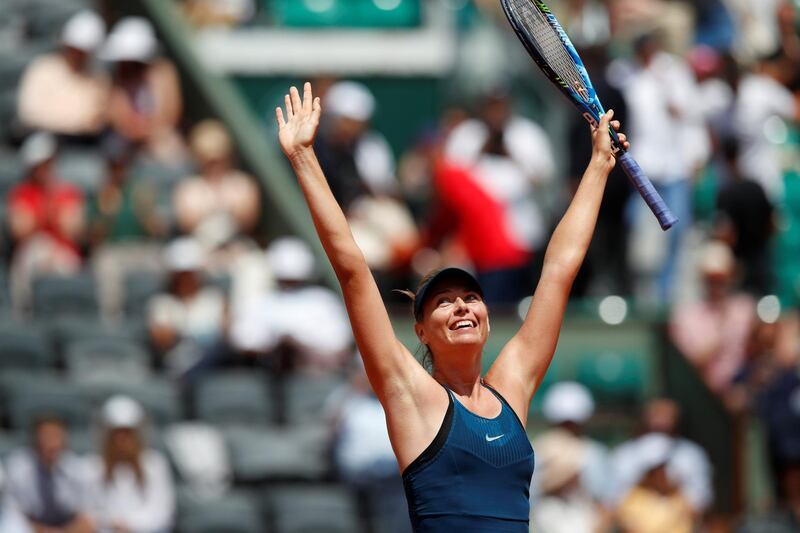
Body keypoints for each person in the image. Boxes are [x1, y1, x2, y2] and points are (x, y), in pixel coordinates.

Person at [275, 83, 628, 530]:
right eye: (443, 302)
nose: (462, 307)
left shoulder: (511, 388)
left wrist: (599, 165)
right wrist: (305, 157)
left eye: (470, 298)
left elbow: (559, 270)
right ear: (420, 330)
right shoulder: (410, 395)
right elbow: (353, 272)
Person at [7, 132, 85, 315]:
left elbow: (74, 229)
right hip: (33, 253)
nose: (45, 169)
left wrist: (42, 216)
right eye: (40, 165)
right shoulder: (22, 193)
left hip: (64, 255)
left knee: (66, 265)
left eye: (48, 163)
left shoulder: (68, 192)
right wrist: (49, 214)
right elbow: (20, 230)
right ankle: (23, 313)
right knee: (35, 252)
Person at [85, 396, 175, 533]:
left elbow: (163, 513)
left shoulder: (155, 463)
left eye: (128, 434)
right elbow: (88, 512)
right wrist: (112, 523)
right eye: (116, 434)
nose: (122, 440)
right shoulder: (92, 466)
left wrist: (131, 526)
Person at [102, 17, 185, 164]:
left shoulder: (163, 73)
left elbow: (171, 113)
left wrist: (152, 133)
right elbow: (117, 117)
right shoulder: (116, 81)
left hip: (159, 140)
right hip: (125, 144)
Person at [16, 10, 109, 140]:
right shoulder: (43, 69)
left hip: (82, 146)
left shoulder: (98, 79)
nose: (79, 55)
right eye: (75, 49)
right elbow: (30, 115)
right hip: (42, 141)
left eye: (84, 51)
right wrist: (73, 123)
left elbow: (96, 120)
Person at [5, 417, 93, 533]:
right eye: (46, 437)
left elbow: (87, 518)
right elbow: (13, 516)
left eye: (56, 437)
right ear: (35, 440)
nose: (51, 443)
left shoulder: (78, 469)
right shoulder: (17, 468)